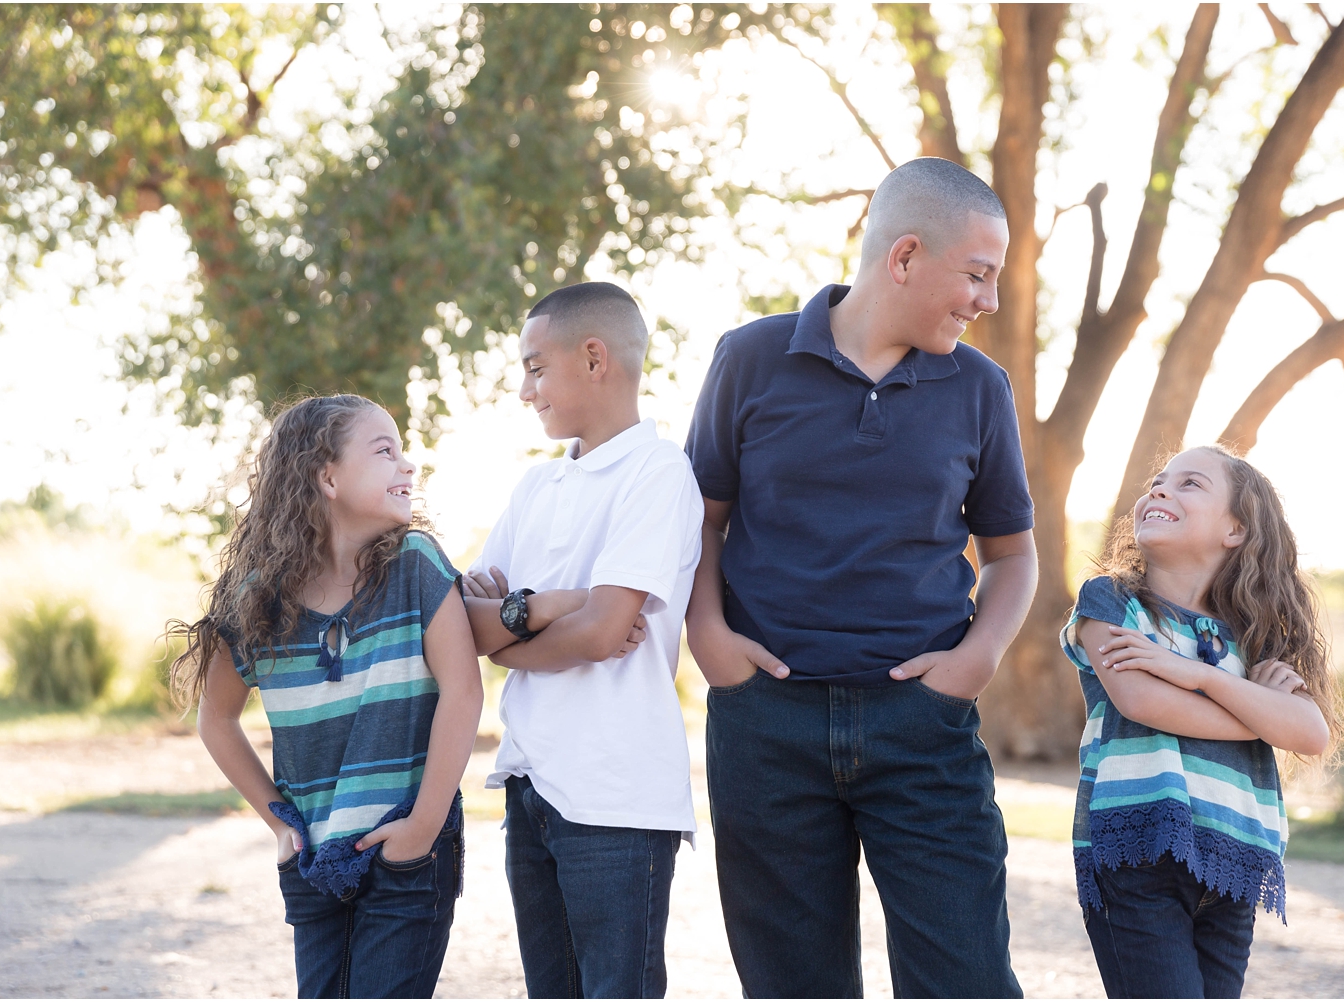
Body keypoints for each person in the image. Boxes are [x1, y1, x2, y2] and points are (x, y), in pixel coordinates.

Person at [683, 157, 1036, 998]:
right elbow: (700, 519)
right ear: (905, 256)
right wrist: (709, 638)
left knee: (968, 979)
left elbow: (1013, 555)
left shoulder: (980, 388)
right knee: (792, 986)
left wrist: (977, 658)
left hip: (923, 726)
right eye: (978, 275)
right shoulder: (751, 358)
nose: (988, 301)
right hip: (766, 724)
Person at [171, 393, 586, 999]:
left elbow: (462, 691)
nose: (408, 466)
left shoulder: (415, 566)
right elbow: (218, 718)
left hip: (408, 850)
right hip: (312, 857)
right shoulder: (256, 597)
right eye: (384, 451)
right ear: (328, 476)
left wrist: (422, 825)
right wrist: (278, 821)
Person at [465, 282, 703, 999]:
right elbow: (460, 626)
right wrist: (548, 608)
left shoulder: (656, 473)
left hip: (616, 797)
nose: (523, 389)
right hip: (531, 784)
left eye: (535, 367)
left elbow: (605, 634)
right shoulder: (536, 487)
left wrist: (512, 629)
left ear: (594, 358)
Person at [1061, 444, 1344, 999]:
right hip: (1140, 846)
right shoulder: (1113, 602)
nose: (1160, 490)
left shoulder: (1259, 634)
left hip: (1234, 857)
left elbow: (1310, 734)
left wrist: (1202, 677)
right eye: (1158, 481)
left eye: (1189, 483)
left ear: (1235, 529)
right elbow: (1143, 701)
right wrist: (1259, 712)